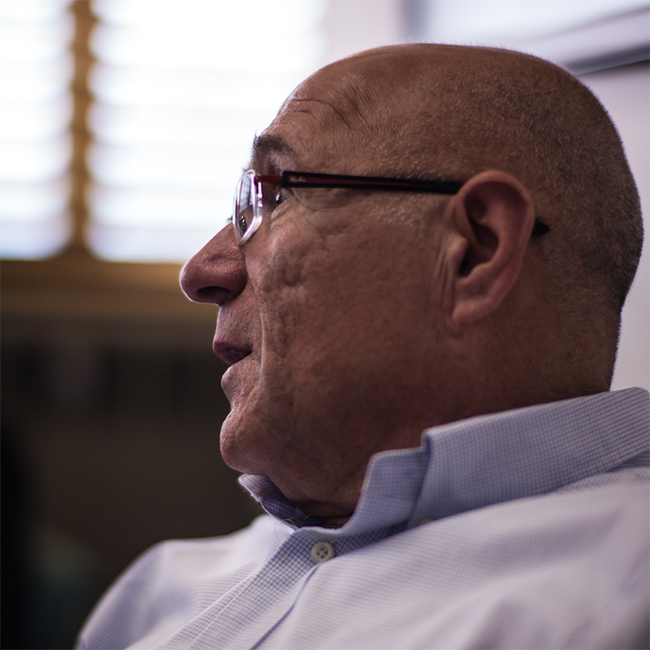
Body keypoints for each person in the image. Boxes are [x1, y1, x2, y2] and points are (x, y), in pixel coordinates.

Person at [75, 44, 650, 649]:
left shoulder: (623, 602)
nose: (200, 271)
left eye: (273, 197)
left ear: (474, 251)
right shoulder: (156, 591)